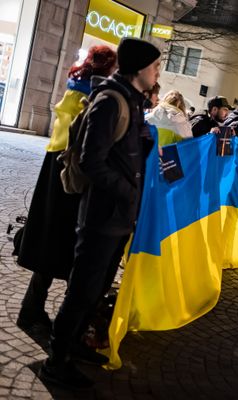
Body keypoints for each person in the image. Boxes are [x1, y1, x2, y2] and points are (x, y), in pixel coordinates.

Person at [41, 38, 161, 389]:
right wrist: (127, 193)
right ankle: (56, 361)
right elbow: (93, 161)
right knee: (81, 291)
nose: (158, 71)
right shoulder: (111, 101)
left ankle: (75, 345)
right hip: (100, 215)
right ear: (139, 67)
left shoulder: (133, 101)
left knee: (96, 289)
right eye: (155, 65)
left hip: (117, 216)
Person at [15, 46, 117, 333]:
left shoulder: (76, 89)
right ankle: (33, 311)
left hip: (55, 166)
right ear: (105, 68)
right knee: (55, 243)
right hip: (68, 172)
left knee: (50, 240)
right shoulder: (90, 96)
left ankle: (32, 307)